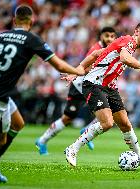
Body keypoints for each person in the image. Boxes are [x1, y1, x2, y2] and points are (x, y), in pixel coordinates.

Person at [0, 5, 85, 185]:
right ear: (32, 21)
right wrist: (78, 70)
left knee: (18, 123)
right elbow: (60, 66)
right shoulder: (31, 39)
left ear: (14, 21)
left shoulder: (0, 36)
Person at [64, 19, 140, 170]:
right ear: (137, 32)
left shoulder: (123, 43)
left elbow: (96, 53)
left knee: (125, 124)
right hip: (94, 84)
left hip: (109, 87)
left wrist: (78, 69)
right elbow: (125, 59)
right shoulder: (128, 41)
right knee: (107, 123)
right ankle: (73, 148)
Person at [35, 27, 117, 155]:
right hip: (81, 85)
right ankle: (42, 140)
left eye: (112, 36)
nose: (110, 39)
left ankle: (85, 130)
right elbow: (87, 67)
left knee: (111, 108)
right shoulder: (96, 49)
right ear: (101, 36)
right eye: (107, 35)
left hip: (92, 85)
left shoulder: (110, 49)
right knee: (68, 118)